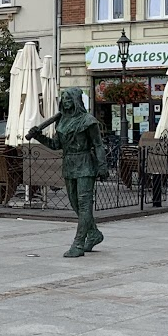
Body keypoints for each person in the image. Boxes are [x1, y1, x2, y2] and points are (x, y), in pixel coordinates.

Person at [26, 87, 110, 257]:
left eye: (69, 98)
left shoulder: (88, 121)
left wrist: (102, 166)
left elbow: (98, 145)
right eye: (64, 98)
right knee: (74, 203)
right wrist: (38, 136)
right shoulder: (61, 121)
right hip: (69, 163)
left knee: (85, 204)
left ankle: (78, 243)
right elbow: (56, 145)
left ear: (77, 101)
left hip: (85, 163)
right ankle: (93, 233)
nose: (66, 101)